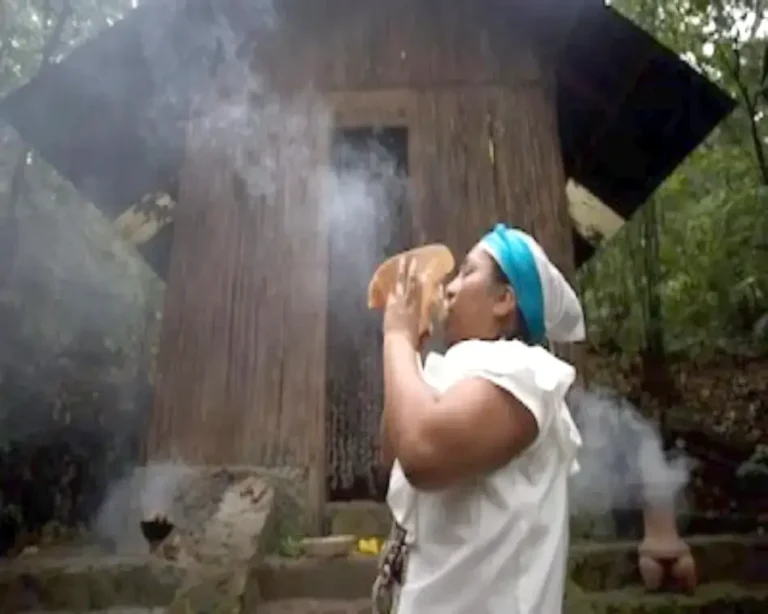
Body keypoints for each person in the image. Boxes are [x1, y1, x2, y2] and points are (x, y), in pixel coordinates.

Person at [373, 223, 586, 614]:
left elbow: (421, 453)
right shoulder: (460, 374)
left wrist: (397, 339)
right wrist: (411, 353)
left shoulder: (523, 370)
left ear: (504, 299)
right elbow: (395, 449)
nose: (450, 288)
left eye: (467, 272)